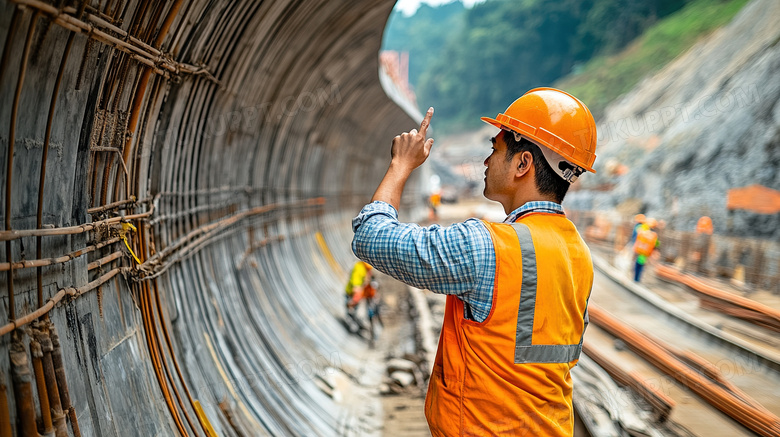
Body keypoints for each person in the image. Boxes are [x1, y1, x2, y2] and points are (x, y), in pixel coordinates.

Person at [352, 88, 597, 436]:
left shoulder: (487, 247)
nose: (486, 162)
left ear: (523, 163)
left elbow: (370, 236)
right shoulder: (578, 254)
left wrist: (400, 165)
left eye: (494, 149)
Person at [344, 261, 373, 332]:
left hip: (357, 294)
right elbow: (355, 281)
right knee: (351, 309)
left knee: (355, 309)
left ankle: (355, 323)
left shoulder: (366, 269)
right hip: (352, 292)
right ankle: (351, 325)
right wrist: (356, 289)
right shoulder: (359, 267)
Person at [633, 218, 659, 282]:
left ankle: (636, 278)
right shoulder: (653, 234)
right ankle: (636, 278)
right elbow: (656, 244)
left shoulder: (643, 230)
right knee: (640, 264)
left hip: (641, 250)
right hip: (645, 252)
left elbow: (637, 238)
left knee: (638, 264)